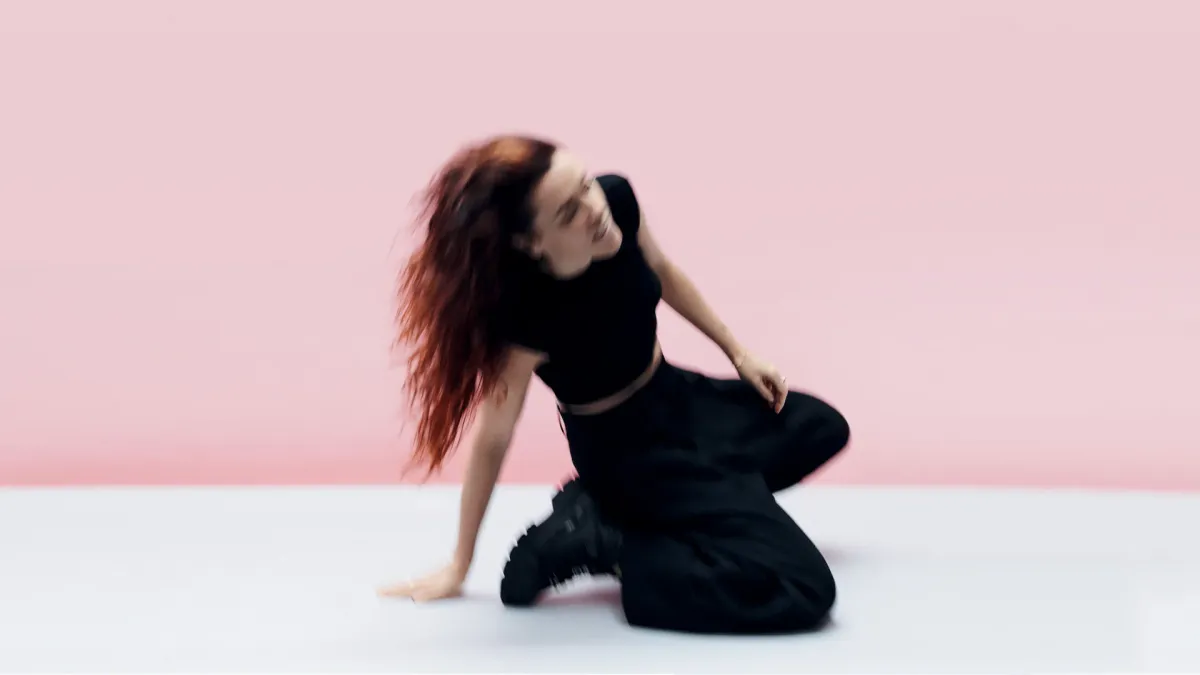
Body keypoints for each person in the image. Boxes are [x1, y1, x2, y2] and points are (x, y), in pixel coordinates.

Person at [379, 134, 851, 634]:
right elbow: (493, 438)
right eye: (568, 213)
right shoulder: (526, 316)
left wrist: (739, 353)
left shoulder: (618, 204)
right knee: (804, 587)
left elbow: (664, 272)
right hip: (627, 452)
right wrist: (460, 562)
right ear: (531, 243)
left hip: (676, 395)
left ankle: (633, 511)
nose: (595, 209)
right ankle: (612, 543)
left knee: (820, 428)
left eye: (586, 184)